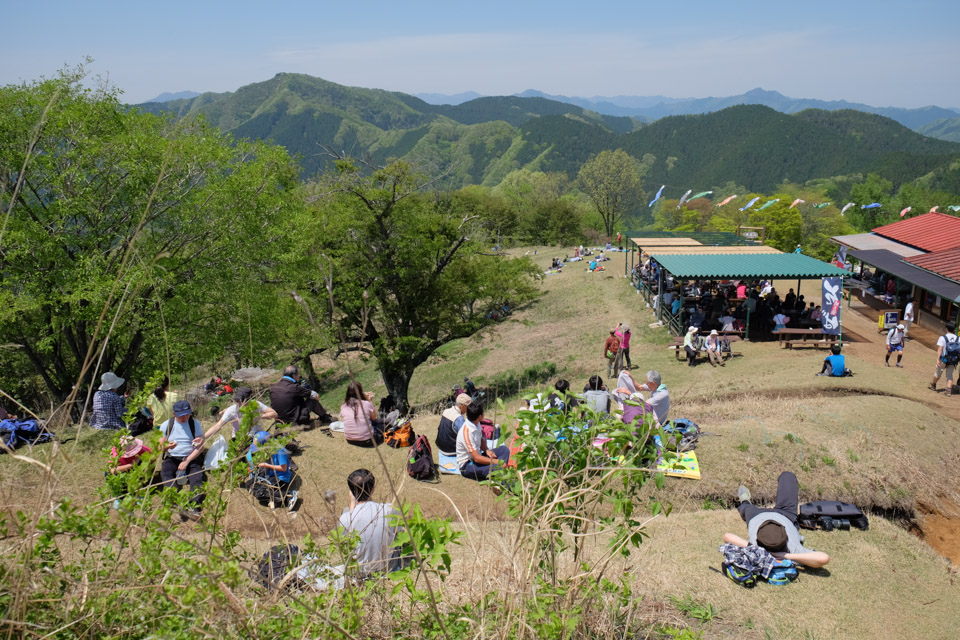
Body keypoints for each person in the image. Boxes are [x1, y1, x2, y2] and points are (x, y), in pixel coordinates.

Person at [723, 472, 830, 569]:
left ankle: (745, 500)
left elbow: (727, 536)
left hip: (758, 517)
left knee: (746, 507)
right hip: (785, 516)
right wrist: (786, 556)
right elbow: (824, 558)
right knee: (787, 476)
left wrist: (765, 552)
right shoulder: (792, 549)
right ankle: (745, 502)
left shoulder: (757, 547)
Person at [337, 469, 400, 575]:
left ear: (351, 492)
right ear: (373, 489)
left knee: (346, 511)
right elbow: (398, 531)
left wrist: (352, 503)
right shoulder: (389, 509)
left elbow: (346, 541)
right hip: (387, 566)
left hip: (360, 570)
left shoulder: (345, 518)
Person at [158, 400, 205, 517]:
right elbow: (159, 447)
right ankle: (177, 501)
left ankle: (194, 505)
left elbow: (201, 447)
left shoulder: (194, 424)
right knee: (165, 473)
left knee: (197, 476)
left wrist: (187, 460)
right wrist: (167, 447)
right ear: (174, 414)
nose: (185, 418)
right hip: (172, 457)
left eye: (187, 414)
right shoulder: (166, 425)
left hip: (191, 457)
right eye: (181, 416)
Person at [456, 402, 510, 481]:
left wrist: (487, 450)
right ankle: (508, 485)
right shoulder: (467, 432)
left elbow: (480, 439)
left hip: (479, 455)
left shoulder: (476, 423)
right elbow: (476, 458)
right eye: (483, 412)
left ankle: (501, 471)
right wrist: (496, 461)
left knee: (504, 450)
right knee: (496, 467)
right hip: (468, 464)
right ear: (480, 416)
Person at [269, 365, 334, 427]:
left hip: (280, 423)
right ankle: (325, 418)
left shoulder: (273, 387)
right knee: (312, 400)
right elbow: (316, 396)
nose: (299, 377)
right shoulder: (295, 387)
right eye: (298, 374)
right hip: (295, 421)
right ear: (294, 375)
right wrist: (306, 390)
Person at [248, 430, 298, 510]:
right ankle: (274, 498)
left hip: (280, 477)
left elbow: (284, 468)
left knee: (260, 493)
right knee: (249, 483)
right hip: (270, 473)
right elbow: (249, 455)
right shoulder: (268, 448)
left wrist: (266, 465)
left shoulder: (280, 450)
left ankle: (289, 496)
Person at [205, 387, 278, 439]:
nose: (239, 404)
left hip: (257, 435)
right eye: (237, 402)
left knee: (263, 438)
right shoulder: (232, 410)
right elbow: (218, 425)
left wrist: (259, 416)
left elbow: (274, 414)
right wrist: (203, 437)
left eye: (241, 402)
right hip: (239, 438)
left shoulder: (256, 404)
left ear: (248, 400)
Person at [341, 381, 382, 447]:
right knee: (381, 424)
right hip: (368, 441)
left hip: (350, 440)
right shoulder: (365, 404)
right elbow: (374, 417)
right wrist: (370, 400)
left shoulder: (344, 406)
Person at [930, 322, 959, 397]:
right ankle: (948, 391)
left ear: (946, 328)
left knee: (938, 373)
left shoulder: (942, 338)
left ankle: (933, 385)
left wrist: (938, 359)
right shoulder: (958, 338)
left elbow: (940, 348)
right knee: (949, 375)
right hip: (953, 360)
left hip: (944, 359)